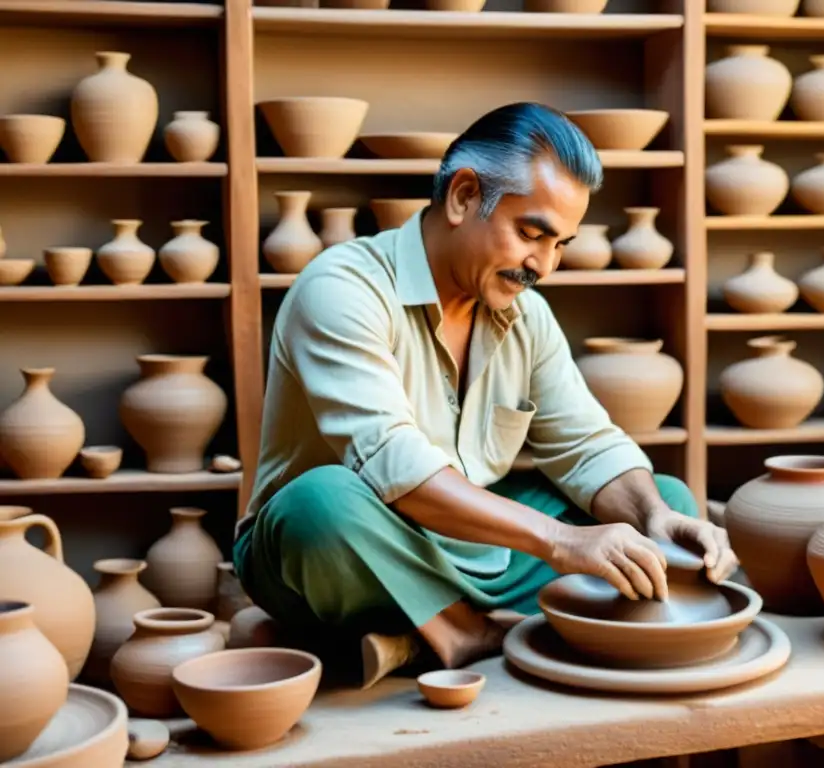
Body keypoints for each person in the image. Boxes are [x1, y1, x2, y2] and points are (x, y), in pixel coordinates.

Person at [233, 101, 738, 687]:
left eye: (562, 245)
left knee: (666, 502)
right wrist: (561, 542)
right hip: (348, 544)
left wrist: (653, 517)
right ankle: (480, 632)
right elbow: (395, 468)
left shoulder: (527, 317)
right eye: (532, 234)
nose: (543, 265)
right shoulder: (343, 288)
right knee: (316, 503)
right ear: (464, 197)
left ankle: (418, 637)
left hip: (471, 547)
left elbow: (586, 445)